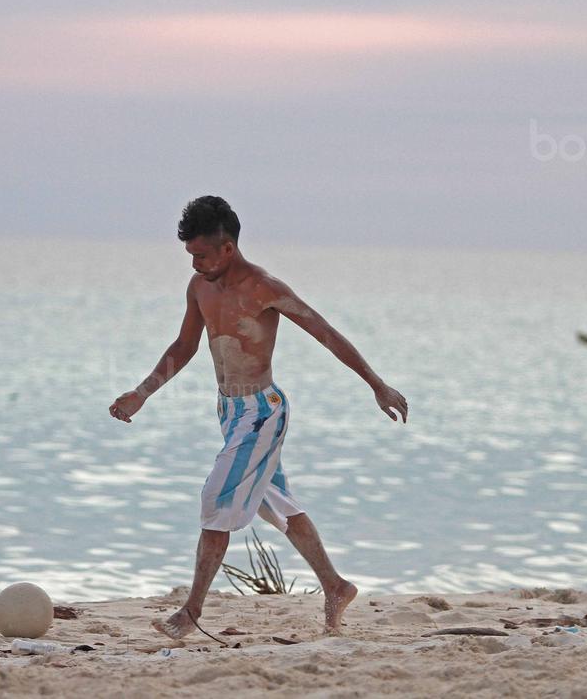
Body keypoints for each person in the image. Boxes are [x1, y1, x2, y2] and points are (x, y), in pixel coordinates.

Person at [109, 195, 407, 638]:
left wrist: (376, 384)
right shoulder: (200, 287)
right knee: (279, 505)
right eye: (190, 255)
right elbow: (185, 346)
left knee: (216, 499)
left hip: (261, 414)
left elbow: (326, 333)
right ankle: (336, 586)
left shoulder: (264, 288)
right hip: (229, 413)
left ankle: (191, 613)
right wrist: (142, 393)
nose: (194, 264)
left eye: (201, 255)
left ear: (227, 248)